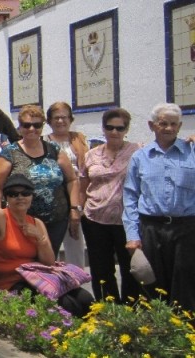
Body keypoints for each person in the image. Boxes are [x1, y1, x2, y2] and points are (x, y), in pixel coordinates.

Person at [0, 174, 93, 317]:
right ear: (6, 198)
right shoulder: (1, 217)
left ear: (31, 197)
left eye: (25, 193)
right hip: (11, 283)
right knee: (65, 304)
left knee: (86, 299)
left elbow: (49, 262)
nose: (20, 197)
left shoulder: (36, 223)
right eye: (13, 194)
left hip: (38, 278)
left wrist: (39, 237)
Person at [123, 103, 195, 312]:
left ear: (180, 126)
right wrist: (132, 235)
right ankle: (156, 332)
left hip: (187, 228)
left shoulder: (191, 152)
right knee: (152, 283)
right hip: (151, 228)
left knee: (186, 281)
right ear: (152, 125)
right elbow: (130, 197)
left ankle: (185, 333)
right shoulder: (140, 157)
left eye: (174, 124)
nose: (169, 128)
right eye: (163, 123)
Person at [0, 105, 82, 258]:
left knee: (48, 261)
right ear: (20, 128)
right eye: (27, 125)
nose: (32, 129)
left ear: (42, 126)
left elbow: (72, 179)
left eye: (37, 125)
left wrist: (74, 209)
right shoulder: (10, 153)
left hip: (56, 220)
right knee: (27, 263)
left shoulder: (54, 150)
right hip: (22, 220)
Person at [80, 108, 141, 302]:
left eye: (119, 128)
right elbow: (83, 185)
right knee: (101, 269)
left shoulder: (138, 151)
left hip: (126, 221)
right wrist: (80, 210)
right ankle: (108, 309)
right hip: (95, 219)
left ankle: (131, 311)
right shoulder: (91, 155)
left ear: (126, 129)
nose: (114, 132)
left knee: (130, 267)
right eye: (110, 127)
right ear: (103, 128)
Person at [43, 102, 88, 268]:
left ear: (70, 119)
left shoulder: (79, 140)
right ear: (49, 121)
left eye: (64, 117)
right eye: (56, 118)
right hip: (55, 195)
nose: (60, 121)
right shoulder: (44, 141)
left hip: (77, 195)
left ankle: (77, 280)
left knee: (75, 241)